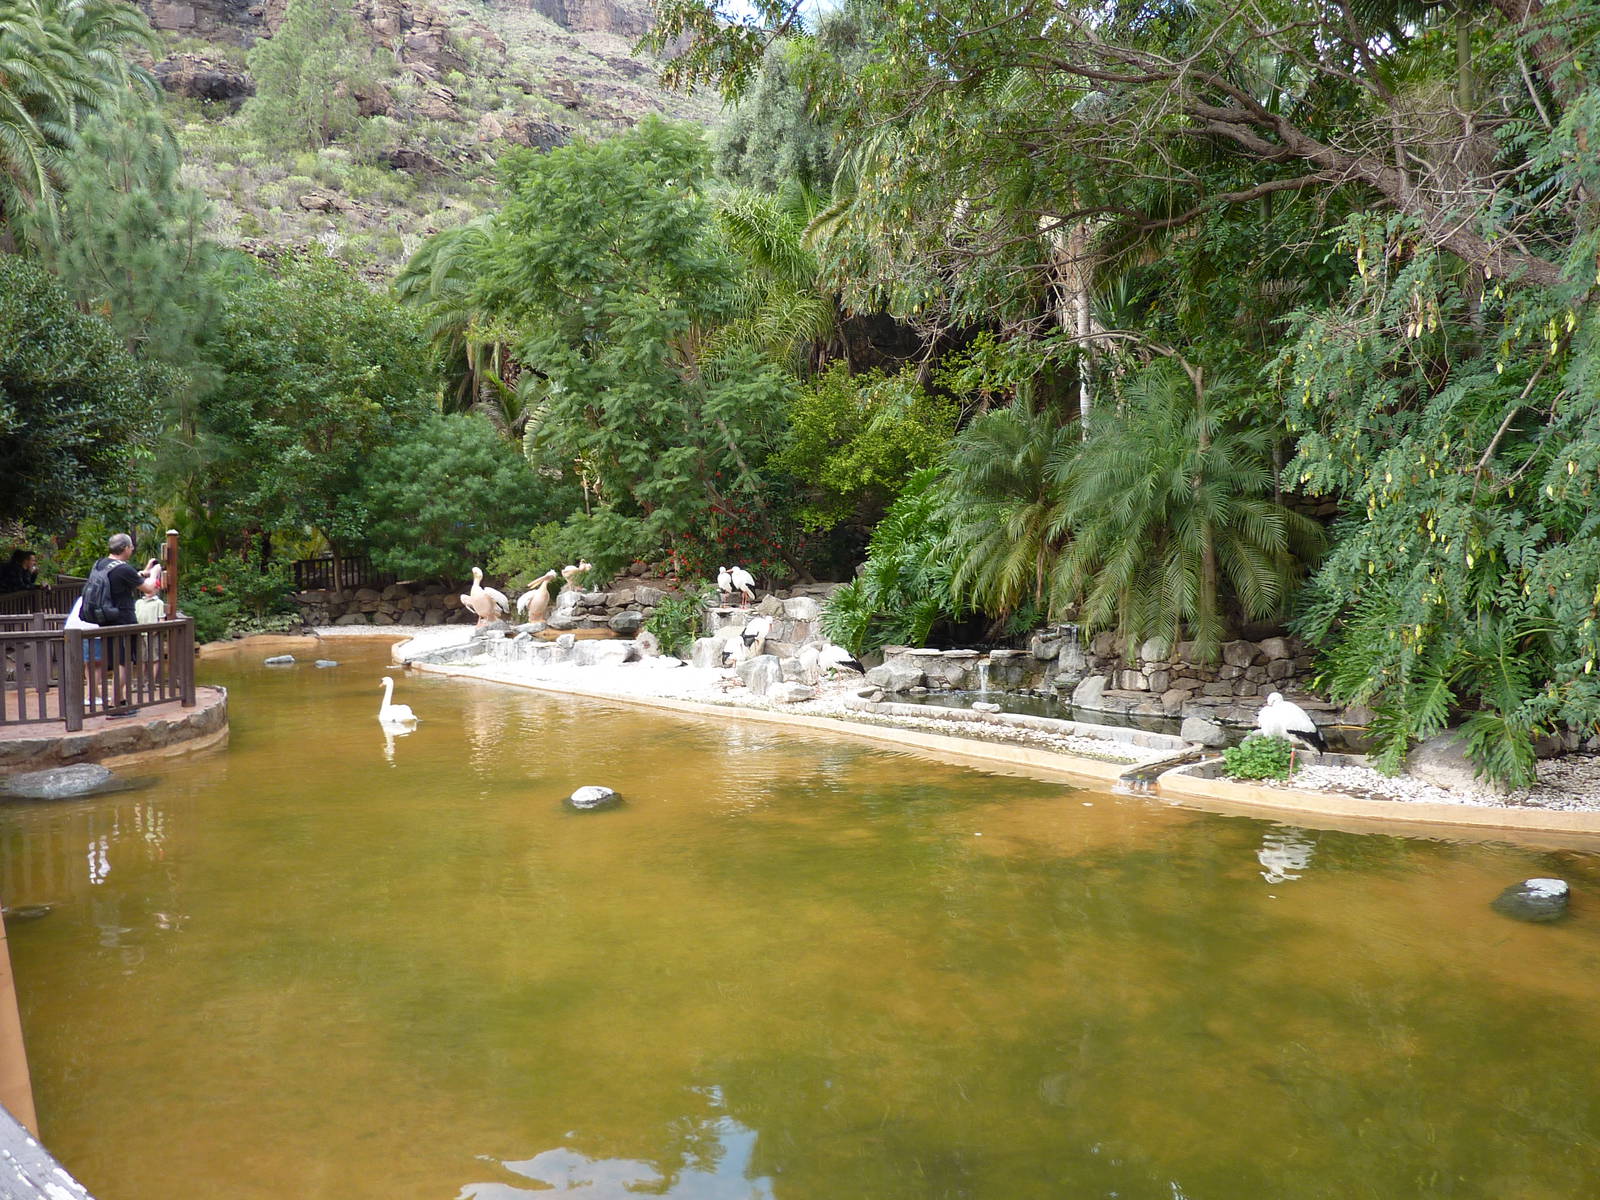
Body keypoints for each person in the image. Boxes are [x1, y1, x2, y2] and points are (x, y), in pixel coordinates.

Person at [84, 534, 163, 716]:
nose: (132, 549)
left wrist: (143, 572)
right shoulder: (124, 569)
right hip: (124, 621)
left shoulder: (100, 564)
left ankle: (119, 701)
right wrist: (155, 572)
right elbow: (149, 588)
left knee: (117, 659)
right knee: (125, 662)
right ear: (125, 548)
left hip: (106, 619)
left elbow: (124, 580)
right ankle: (115, 705)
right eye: (131, 546)